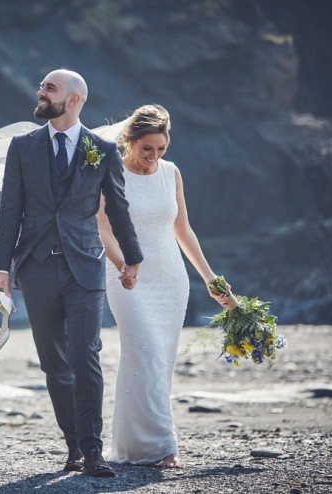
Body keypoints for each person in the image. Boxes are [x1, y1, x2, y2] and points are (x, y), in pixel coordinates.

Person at [0, 69, 143, 477]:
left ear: (73, 99)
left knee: (85, 354)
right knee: (54, 362)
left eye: (49, 88)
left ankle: (93, 451)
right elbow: (9, 211)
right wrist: (0, 269)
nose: (39, 92)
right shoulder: (22, 148)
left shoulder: (102, 150)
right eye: (41, 86)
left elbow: (119, 208)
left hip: (84, 265)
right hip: (36, 268)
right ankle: (73, 447)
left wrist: (133, 257)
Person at [97, 104, 229, 468]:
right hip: (127, 277)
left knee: (157, 359)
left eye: (161, 149)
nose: (154, 157)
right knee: (146, 351)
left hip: (171, 278)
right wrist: (122, 263)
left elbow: (182, 229)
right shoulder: (110, 172)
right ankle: (163, 448)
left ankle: (132, 447)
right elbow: (103, 228)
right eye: (147, 149)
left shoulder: (171, 173)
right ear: (129, 141)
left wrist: (210, 279)